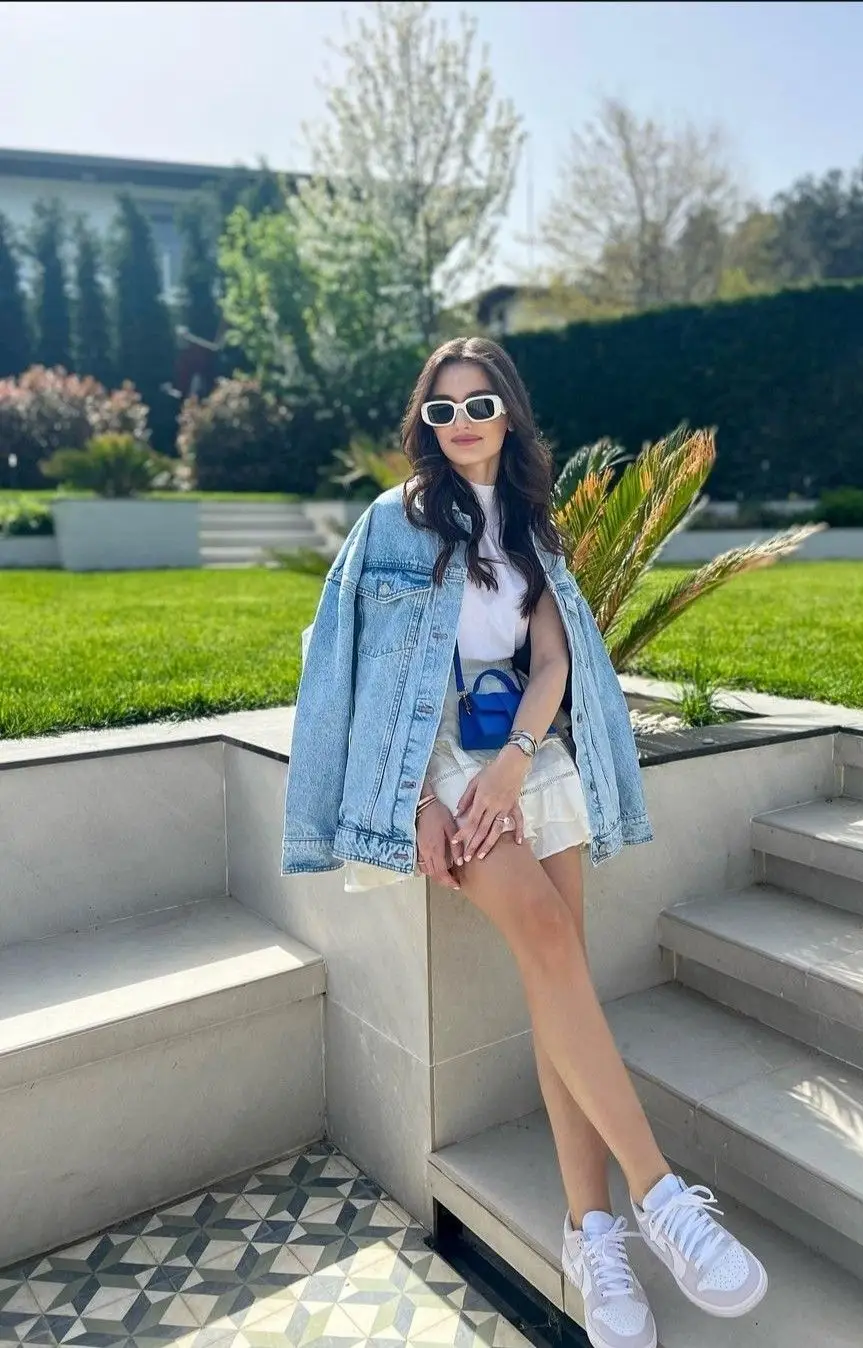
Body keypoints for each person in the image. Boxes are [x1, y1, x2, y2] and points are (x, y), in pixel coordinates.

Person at [282, 337, 768, 1348]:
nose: (458, 426)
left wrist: (515, 761)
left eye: (478, 405)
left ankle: (592, 1234)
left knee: (562, 979)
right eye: (440, 412)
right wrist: (415, 796)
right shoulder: (393, 522)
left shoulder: (532, 526)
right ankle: (659, 1194)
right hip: (435, 756)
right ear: (424, 426)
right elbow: (346, 659)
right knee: (551, 949)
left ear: (510, 414)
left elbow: (550, 659)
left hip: (522, 750)